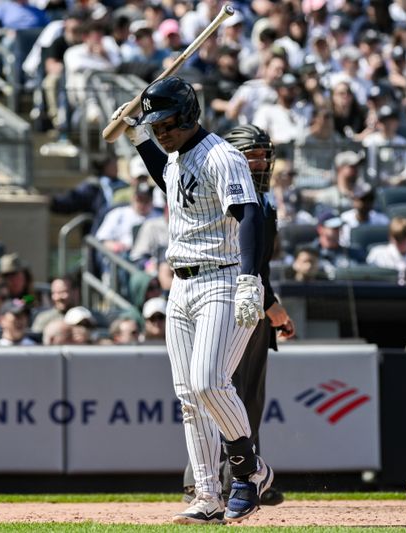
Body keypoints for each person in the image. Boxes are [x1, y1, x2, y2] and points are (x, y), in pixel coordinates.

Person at [113, 77, 274, 524]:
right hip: (181, 284)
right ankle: (206, 495)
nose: (160, 132)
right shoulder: (177, 157)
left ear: (187, 115)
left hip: (221, 279)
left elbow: (248, 214)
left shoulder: (222, 155)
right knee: (188, 396)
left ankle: (248, 471)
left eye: (165, 124)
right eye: (154, 126)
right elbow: (174, 189)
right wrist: (135, 134)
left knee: (208, 382)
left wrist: (249, 280)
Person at [180, 124, 295, 506]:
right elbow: (247, 260)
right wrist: (270, 304)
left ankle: (232, 477)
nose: (260, 161)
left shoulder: (264, 198)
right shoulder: (234, 194)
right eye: (252, 154)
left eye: (264, 154)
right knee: (224, 390)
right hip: (235, 297)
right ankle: (229, 478)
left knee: (230, 392)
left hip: (248, 296)